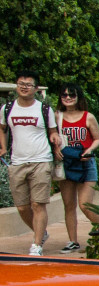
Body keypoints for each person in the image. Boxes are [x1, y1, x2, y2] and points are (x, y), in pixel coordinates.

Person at [1, 70, 59, 255]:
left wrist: (55, 137)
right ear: (17, 86)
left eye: (28, 85)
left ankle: (37, 245)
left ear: (35, 88)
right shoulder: (7, 109)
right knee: (22, 207)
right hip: (17, 162)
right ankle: (41, 233)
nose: (24, 87)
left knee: (38, 204)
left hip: (41, 160)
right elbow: (2, 129)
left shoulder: (44, 109)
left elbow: (52, 131)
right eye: (21, 84)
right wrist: (3, 147)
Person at [52, 82, 99, 252]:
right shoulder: (56, 116)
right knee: (68, 204)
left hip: (85, 163)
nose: (67, 98)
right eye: (64, 95)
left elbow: (97, 138)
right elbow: (51, 136)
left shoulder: (88, 117)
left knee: (85, 204)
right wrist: (56, 149)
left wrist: (88, 151)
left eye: (71, 95)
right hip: (67, 163)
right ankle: (72, 240)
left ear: (78, 97)